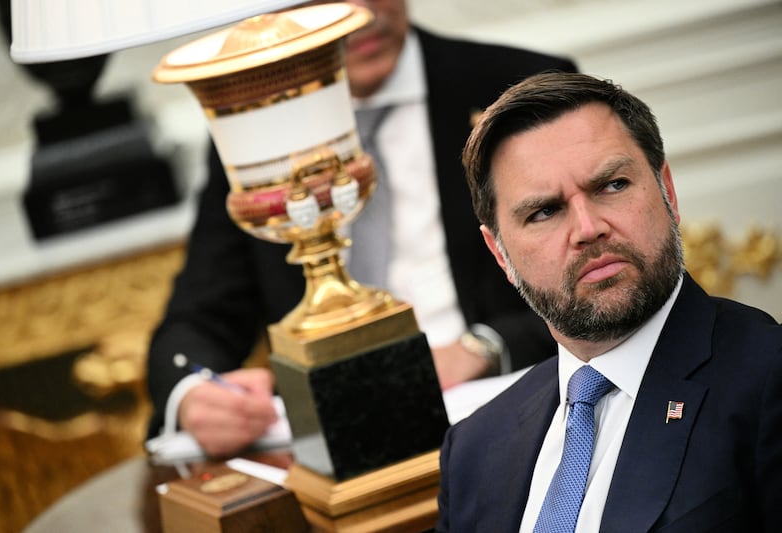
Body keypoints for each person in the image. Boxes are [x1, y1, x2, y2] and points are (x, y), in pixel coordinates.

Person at [145, 0, 577, 458]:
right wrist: (193, 392)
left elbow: (597, 273)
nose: (361, 11)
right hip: (333, 445)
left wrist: (486, 346)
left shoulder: (521, 87)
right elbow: (199, 314)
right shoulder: (251, 130)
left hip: (511, 415)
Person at [437, 71, 782, 532]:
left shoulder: (767, 379)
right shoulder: (473, 449)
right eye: (544, 212)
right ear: (500, 253)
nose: (587, 228)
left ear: (668, 192)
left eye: (612, 186)